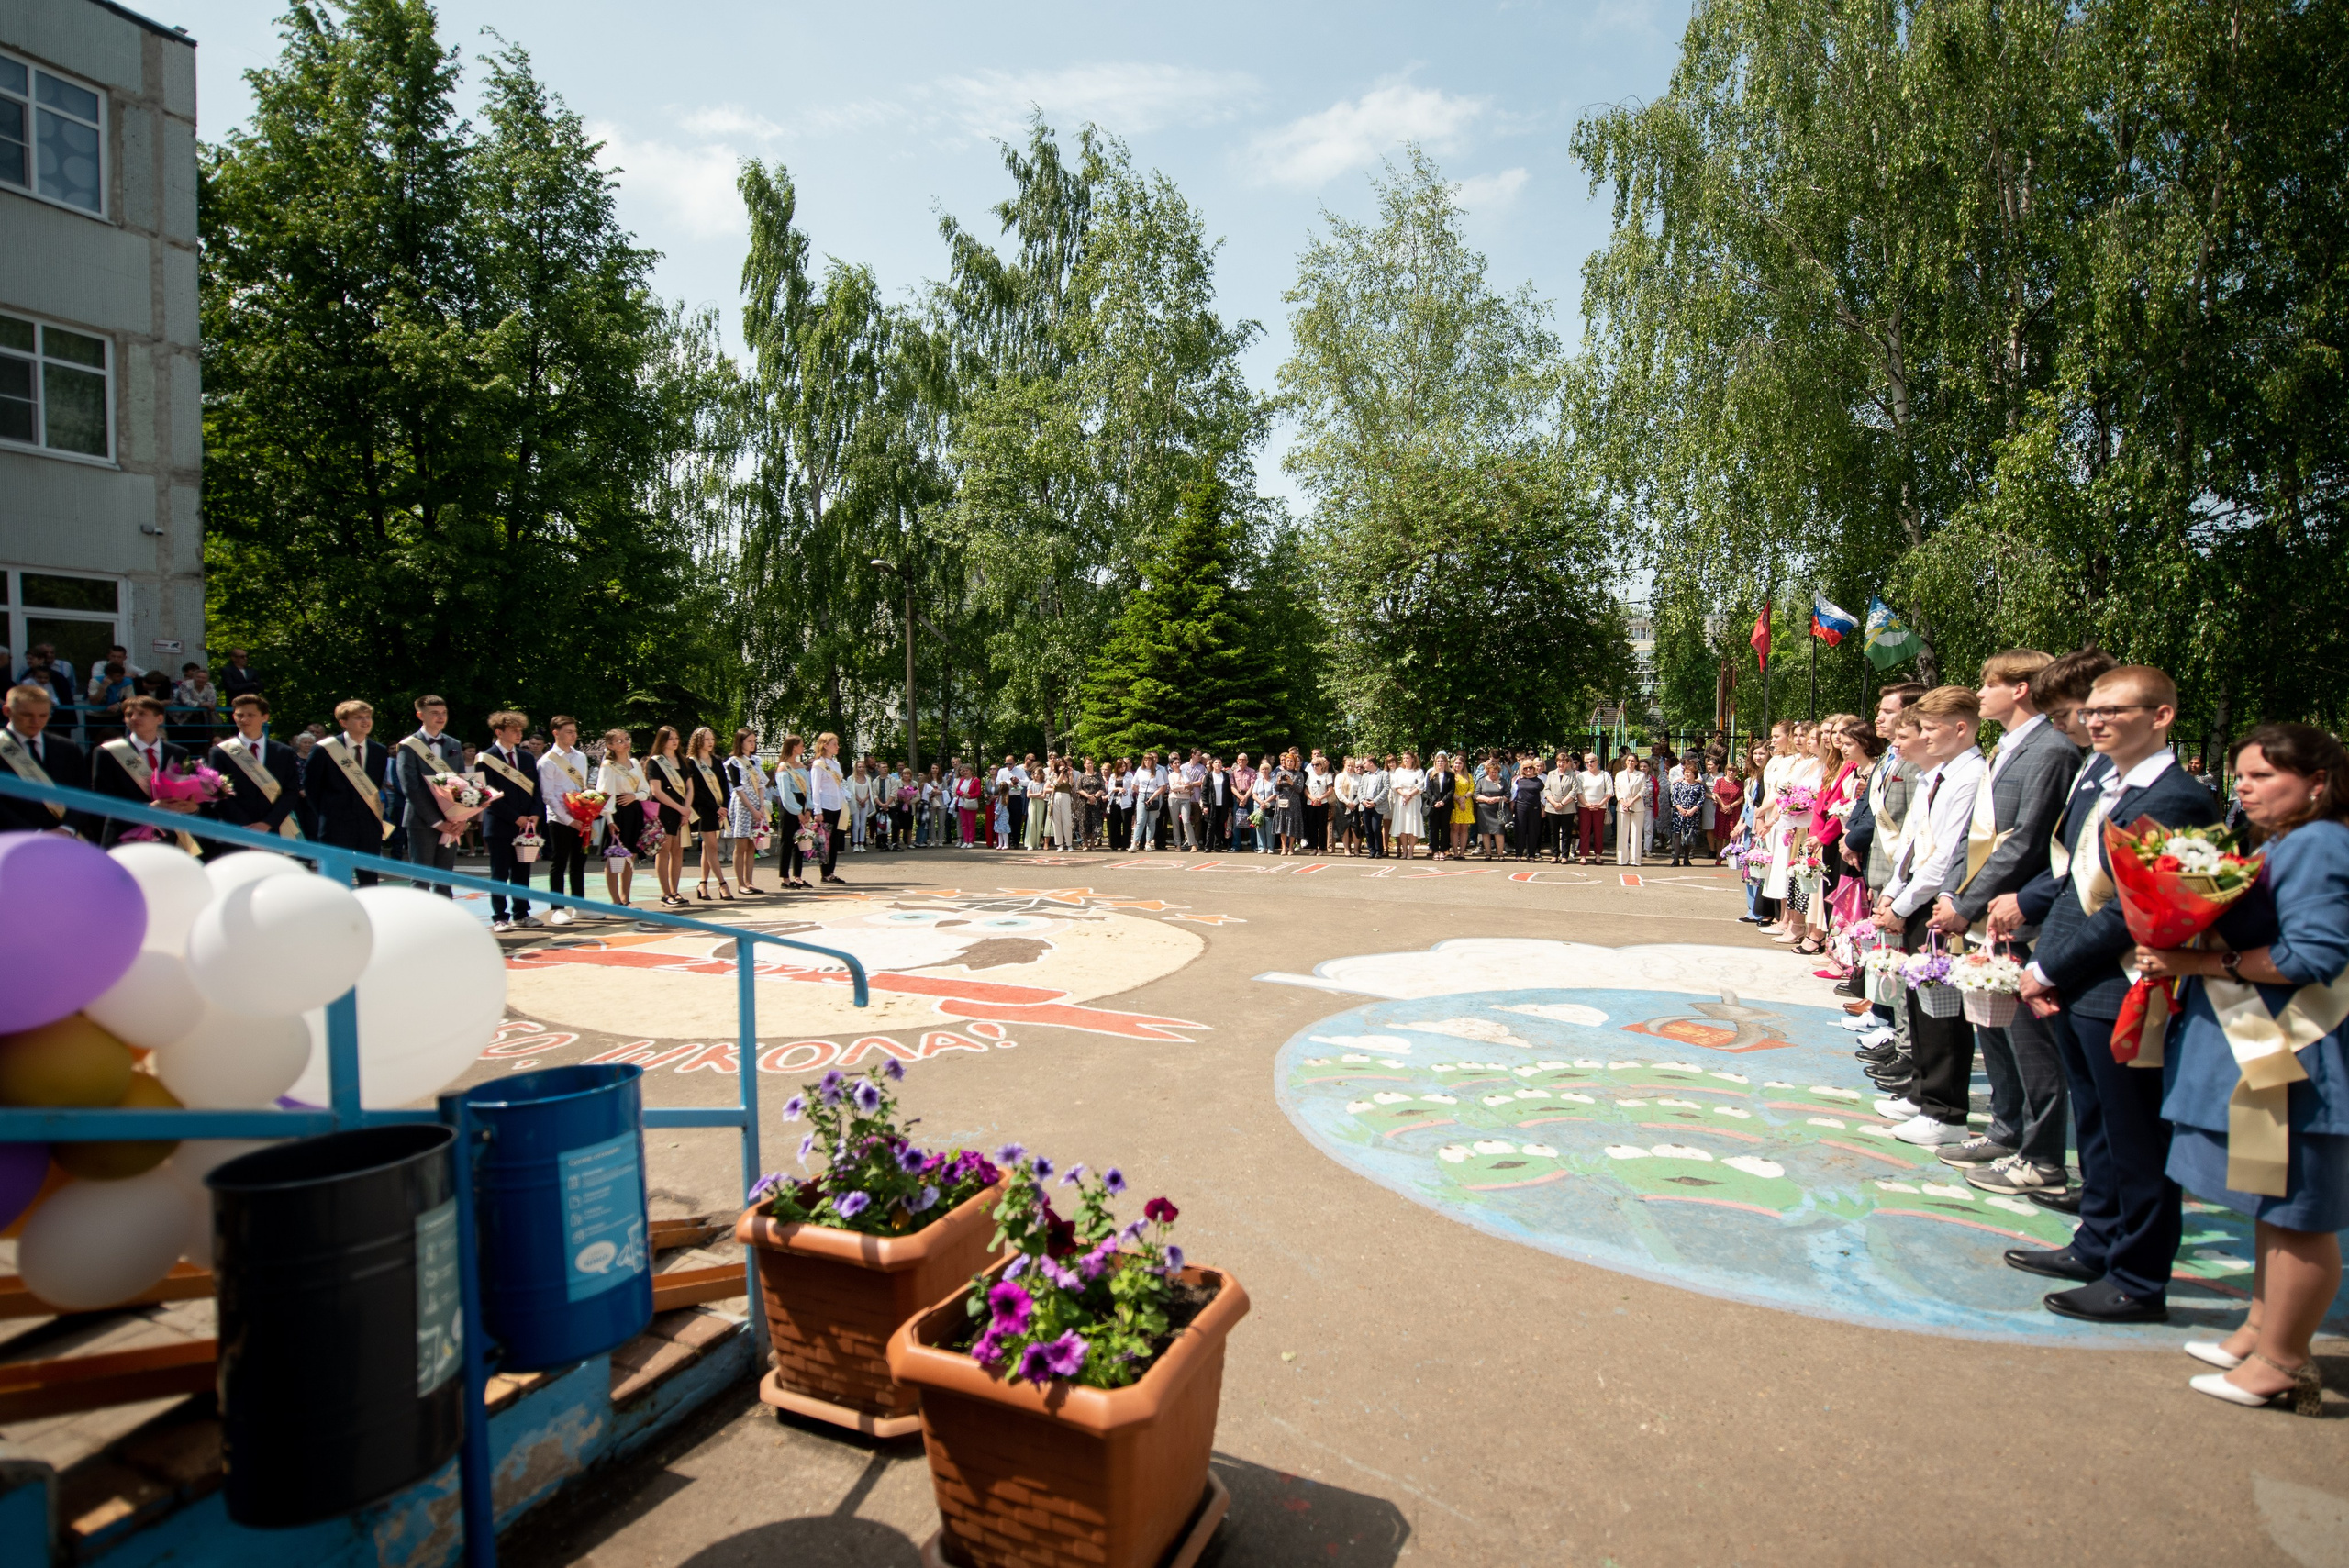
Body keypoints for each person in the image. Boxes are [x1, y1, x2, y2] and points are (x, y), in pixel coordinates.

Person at [2136, 723, 2348, 1415]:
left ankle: (2285, 1360)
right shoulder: (2285, 840)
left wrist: (2198, 960)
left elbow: (2311, 956)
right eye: (2243, 775)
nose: (2246, 788)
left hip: (2300, 1048)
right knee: (2271, 1202)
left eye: (2264, 776)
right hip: (2268, 1043)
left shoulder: (2319, 843)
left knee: (2298, 1213)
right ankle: (2262, 1329)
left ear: (2317, 782)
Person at [2005, 665, 2221, 1324]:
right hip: (2080, 979)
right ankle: (2096, 1241)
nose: (2094, 721)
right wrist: (2050, 963)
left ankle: (2138, 1274)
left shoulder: (2179, 797)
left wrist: (2049, 967)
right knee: (2096, 1128)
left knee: (2135, 1138)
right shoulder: (2107, 782)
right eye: (2091, 711)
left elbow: (2136, 909)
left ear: (2161, 717)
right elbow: (2076, 882)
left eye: (2113, 710)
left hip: (2122, 982)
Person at [1918, 651, 2082, 1195]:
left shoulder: (2051, 750)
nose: (1981, 692)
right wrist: (1957, 895)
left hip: (2020, 911)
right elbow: (1977, 836)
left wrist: (1968, 902)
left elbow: (2028, 841)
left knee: (2031, 1042)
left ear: (2021, 689)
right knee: (1995, 1027)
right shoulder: (2012, 747)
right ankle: (2007, 1129)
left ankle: (2040, 1153)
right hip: (1986, 906)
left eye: (1990, 684)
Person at [1868, 688, 1989, 1149]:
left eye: (1930, 729)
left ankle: (1945, 1110)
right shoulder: (1935, 776)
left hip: (1938, 902)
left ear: (1961, 729)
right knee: (1921, 1001)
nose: (1922, 738)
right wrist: (1895, 895)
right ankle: (1923, 1091)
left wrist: (1902, 903)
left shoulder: (1969, 776)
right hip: (1915, 896)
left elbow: (1948, 855)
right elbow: (1914, 847)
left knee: (1943, 1009)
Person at [304, 699, 391, 884]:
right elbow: (311, 787)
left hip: (368, 824)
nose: (365, 721)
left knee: (369, 879)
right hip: (335, 823)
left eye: (368, 717)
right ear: (343, 722)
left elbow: (374, 787)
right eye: (358, 717)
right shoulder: (325, 749)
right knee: (335, 879)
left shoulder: (379, 751)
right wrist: (327, 813)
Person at [206, 693, 302, 854]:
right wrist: (246, 826)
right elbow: (216, 792)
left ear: (264, 717)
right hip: (235, 830)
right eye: (239, 715)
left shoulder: (283, 752)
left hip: (273, 829)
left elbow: (291, 791)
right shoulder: (220, 752)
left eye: (251, 715)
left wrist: (267, 824)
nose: (244, 720)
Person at [472, 711, 542, 928]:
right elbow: (488, 794)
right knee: (500, 872)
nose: (519, 734)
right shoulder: (486, 758)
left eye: (521, 730)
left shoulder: (527, 757)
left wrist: (535, 813)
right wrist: (516, 817)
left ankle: (522, 913)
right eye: (514, 731)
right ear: (499, 732)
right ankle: (500, 917)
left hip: (526, 824)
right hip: (500, 824)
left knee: (522, 871)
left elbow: (536, 790)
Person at [392, 695, 467, 897]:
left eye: (443, 713)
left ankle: (445, 921)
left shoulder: (453, 744)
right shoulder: (409, 745)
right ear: (420, 715)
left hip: (451, 818)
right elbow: (410, 786)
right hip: (421, 819)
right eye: (434, 713)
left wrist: (460, 817)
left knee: (445, 876)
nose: (440, 717)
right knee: (421, 876)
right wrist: (436, 821)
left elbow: (463, 784)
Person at [0, 681, 89, 836]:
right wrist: (35, 833)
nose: (36, 722)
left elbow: (82, 792)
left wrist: (67, 829)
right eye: (27, 715)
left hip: (66, 838)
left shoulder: (67, 747)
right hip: (12, 839)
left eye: (43, 715)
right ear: (7, 711)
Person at [532, 716, 596, 918]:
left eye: (574, 731)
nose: (573, 735)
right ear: (556, 733)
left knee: (579, 862)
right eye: (569, 731)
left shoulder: (580, 757)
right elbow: (548, 795)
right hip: (559, 820)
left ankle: (580, 906)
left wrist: (586, 814)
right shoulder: (547, 761)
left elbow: (582, 787)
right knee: (559, 863)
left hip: (581, 817)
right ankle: (558, 909)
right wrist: (569, 820)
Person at [597, 729, 649, 908]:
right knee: (615, 857)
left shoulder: (634, 762)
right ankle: (615, 900)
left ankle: (626, 897)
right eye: (619, 741)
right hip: (617, 812)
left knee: (630, 856)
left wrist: (634, 796)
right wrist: (610, 820)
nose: (625, 743)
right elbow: (604, 795)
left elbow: (645, 790)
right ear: (610, 745)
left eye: (627, 739)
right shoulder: (608, 766)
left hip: (634, 809)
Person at [678, 727, 729, 900]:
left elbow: (724, 786)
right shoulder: (691, 762)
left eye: (712, 739)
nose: (710, 742)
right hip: (704, 810)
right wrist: (715, 807)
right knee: (713, 847)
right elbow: (696, 791)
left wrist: (725, 807)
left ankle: (703, 884)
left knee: (708, 848)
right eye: (706, 739)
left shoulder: (716, 761)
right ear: (698, 741)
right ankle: (723, 884)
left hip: (719, 810)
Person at [725, 729, 768, 894]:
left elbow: (761, 784)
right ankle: (741, 883)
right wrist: (752, 809)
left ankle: (749, 882)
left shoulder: (755, 761)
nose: (753, 744)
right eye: (749, 740)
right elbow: (738, 788)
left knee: (752, 845)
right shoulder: (733, 762)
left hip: (757, 803)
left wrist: (761, 807)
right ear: (740, 742)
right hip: (743, 805)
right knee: (741, 844)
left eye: (754, 741)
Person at [770, 736, 810, 891]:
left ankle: (798, 876)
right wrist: (797, 812)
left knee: (801, 840)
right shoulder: (783, 768)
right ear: (794, 747)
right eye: (801, 745)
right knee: (787, 841)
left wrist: (808, 809)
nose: (803, 748)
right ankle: (785, 877)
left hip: (802, 803)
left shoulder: (801, 766)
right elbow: (786, 794)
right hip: (789, 807)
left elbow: (809, 789)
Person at [809, 732, 849, 884]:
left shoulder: (835, 764)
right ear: (825, 745)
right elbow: (816, 789)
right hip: (825, 806)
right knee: (824, 840)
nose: (837, 747)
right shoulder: (818, 765)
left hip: (837, 805)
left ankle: (831, 871)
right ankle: (825, 873)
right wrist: (817, 810)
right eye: (834, 744)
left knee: (834, 841)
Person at [1608, 754, 1643, 867]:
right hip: (1622, 806)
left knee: (1636, 833)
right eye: (1629, 760)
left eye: (1633, 761)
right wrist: (1623, 802)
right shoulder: (1619, 774)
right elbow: (1617, 789)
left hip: (1637, 806)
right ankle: (1622, 859)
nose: (1631, 762)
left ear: (1637, 763)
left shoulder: (1641, 775)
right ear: (1625, 762)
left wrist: (1631, 802)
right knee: (1622, 833)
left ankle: (1635, 860)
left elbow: (1642, 790)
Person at [1389, 751, 1427, 861]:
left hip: (1413, 800)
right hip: (1401, 800)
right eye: (1404, 758)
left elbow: (1420, 786)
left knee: (1412, 825)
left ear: (1413, 759)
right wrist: (1404, 795)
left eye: (1407, 758)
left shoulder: (1418, 771)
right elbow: (1395, 785)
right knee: (1402, 825)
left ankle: (1411, 851)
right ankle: (1404, 850)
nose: (1405, 760)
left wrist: (1409, 795)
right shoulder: (1399, 771)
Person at [1668, 760, 1706, 865]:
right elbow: (1674, 797)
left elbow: (1701, 800)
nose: (1687, 774)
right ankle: (1675, 859)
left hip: (1693, 814)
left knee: (1689, 836)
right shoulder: (1678, 785)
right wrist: (1680, 809)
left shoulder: (1699, 786)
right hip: (1679, 814)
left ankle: (1686, 858)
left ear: (1694, 774)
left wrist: (1693, 810)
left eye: (1690, 772)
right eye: (1686, 772)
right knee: (1677, 835)